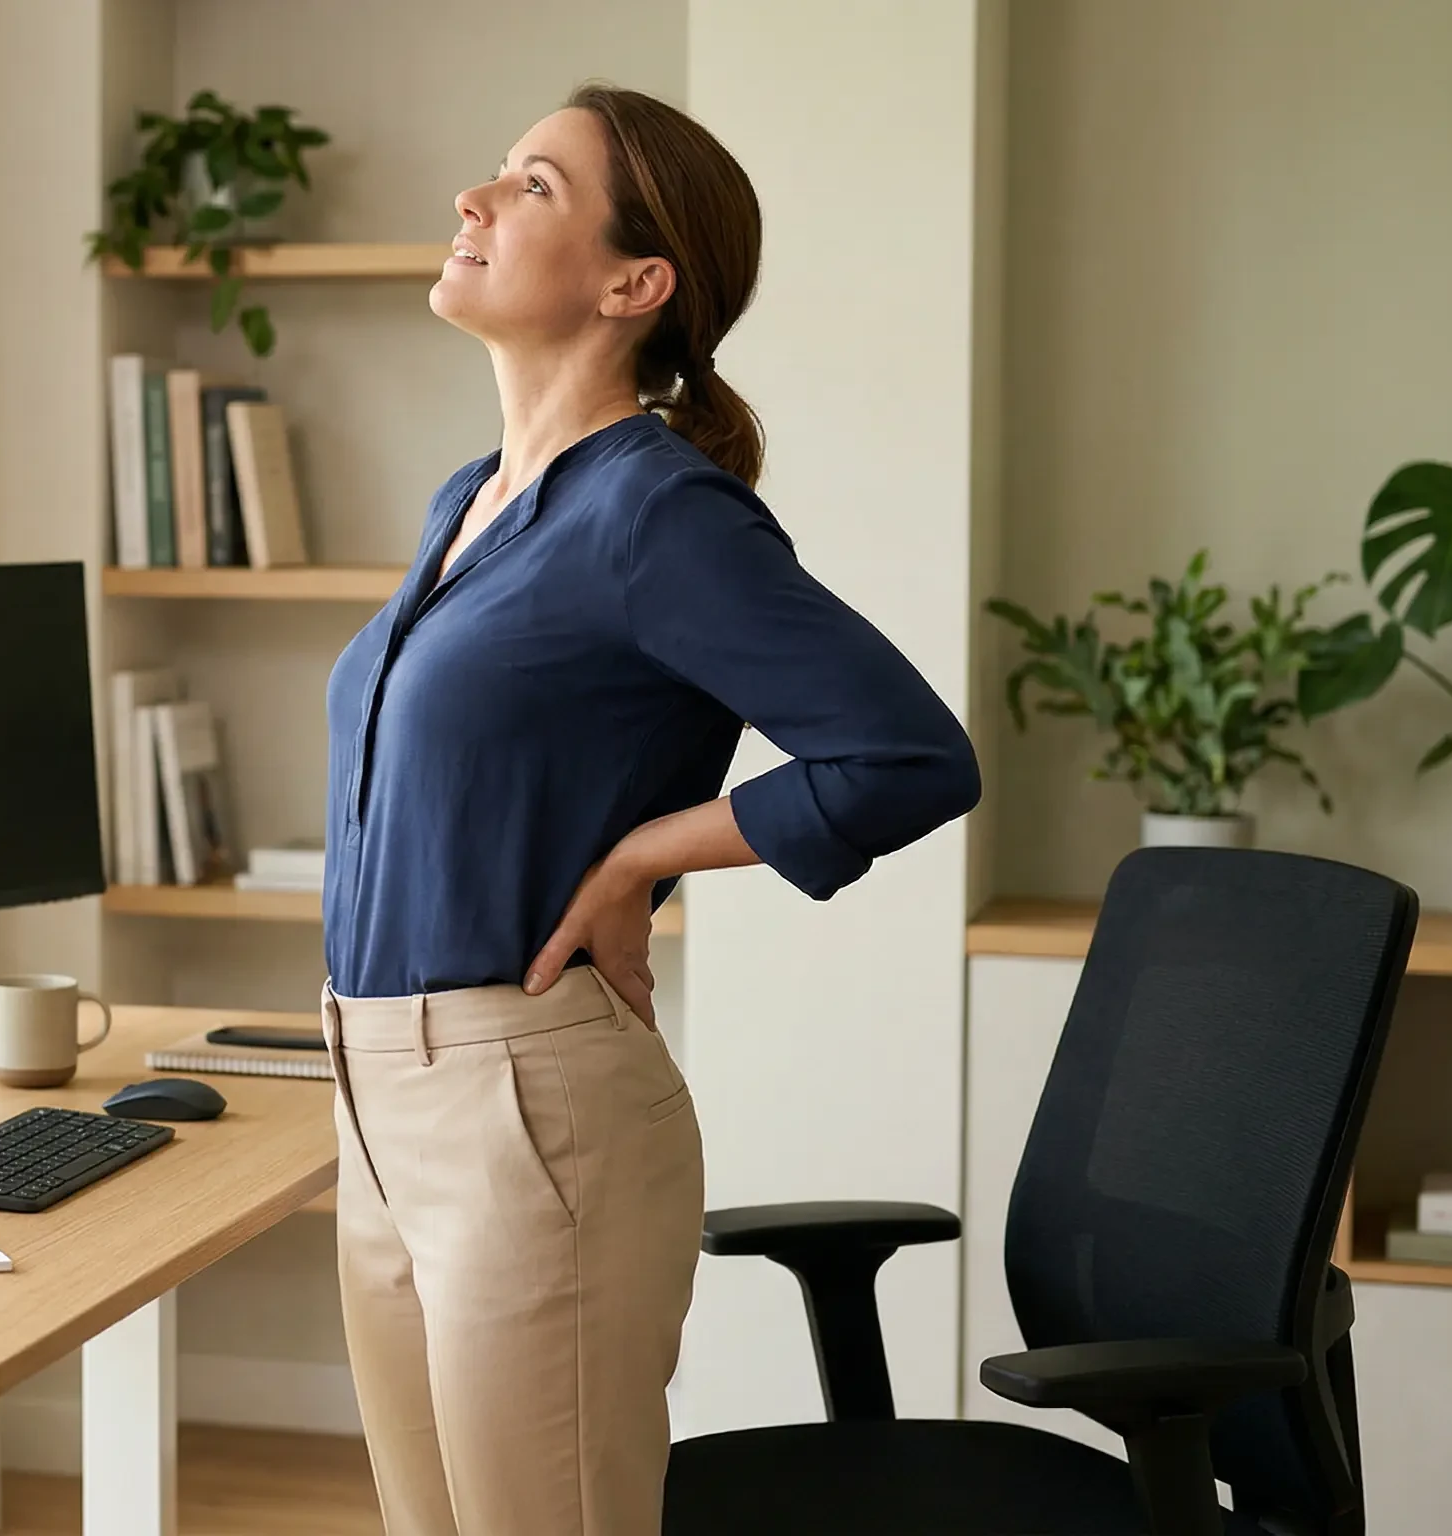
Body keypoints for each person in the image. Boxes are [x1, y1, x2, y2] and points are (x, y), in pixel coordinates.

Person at [319, 83, 980, 1535]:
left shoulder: (655, 515)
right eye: (493, 174)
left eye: (534, 187)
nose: (475, 203)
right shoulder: (470, 500)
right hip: (374, 1103)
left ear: (637, 283)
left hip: (524, 1112)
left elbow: (911, 758)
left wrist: (644, 858)